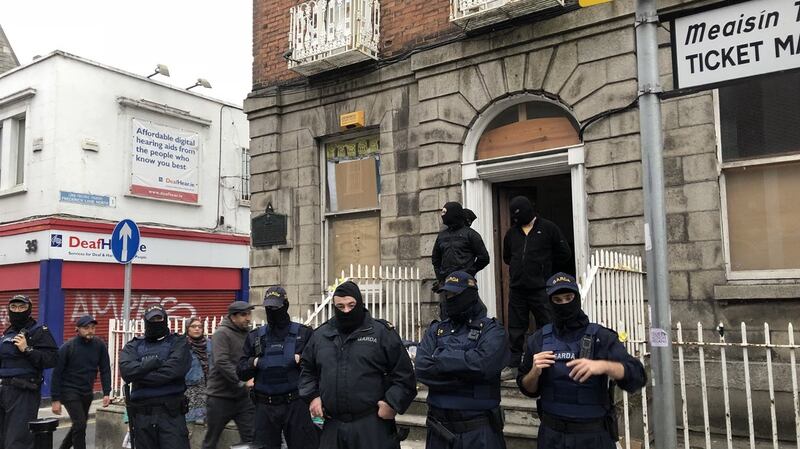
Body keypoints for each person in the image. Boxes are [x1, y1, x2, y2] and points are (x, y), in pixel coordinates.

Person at [516, 273, 646, 449]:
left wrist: (603, 366)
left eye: (569, 298)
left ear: (577, 298)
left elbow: (637, 376)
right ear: (550, 302)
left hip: (592, 436)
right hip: (552, 437)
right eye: (558, 300)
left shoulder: (601, 337)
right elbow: (527, 389)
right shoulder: (538, 340)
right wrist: (534, 372)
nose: (564, 304)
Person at [299, 281, 416, 449]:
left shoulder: (381, 332)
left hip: (372, 424)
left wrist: (392, 403)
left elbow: (404, 374)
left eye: (351, 305)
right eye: (340, 306)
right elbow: (307, 370)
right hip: (333, 426)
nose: (346, 311)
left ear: (359, 303)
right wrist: (312, 397)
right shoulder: (321, 335)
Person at [415, 271, 510, 449]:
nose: (448, 299)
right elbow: (421, 367)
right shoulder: (436, 330)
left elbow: (483, 366)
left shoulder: (492, 330)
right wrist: (465, 372)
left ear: (469, 295)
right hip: (439, 431)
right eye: (446, 295)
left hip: (479, 431)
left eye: (454, 295)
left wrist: (440, 358)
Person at [238, 286, 317, 449]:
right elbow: (240, 372)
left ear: (285, 305)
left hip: (295, 404)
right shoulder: (255, 336)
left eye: (276, 307)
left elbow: (317, 368)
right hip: (265, 407)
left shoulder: (303, 334)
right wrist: (254, 362)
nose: (272, 311)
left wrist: (301, 360)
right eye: (269, 307)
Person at [503, 195, 572, 369]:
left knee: (547, 323)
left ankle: (549, 360)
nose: (517, 218)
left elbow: (564, 253)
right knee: (515, 327)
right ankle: (513, 365)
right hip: (517, 288)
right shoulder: (511, 233)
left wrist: (545, 271)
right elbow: (507, 257)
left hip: (541, 288)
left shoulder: (548, 228)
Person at [119, 305, 192, 449]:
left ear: (165, 320)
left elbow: (174, 371)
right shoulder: (134, 345)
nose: (156, 322)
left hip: (171, 416)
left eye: (159, 318)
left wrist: (140, 374)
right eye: (152, 319)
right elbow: (126, 372)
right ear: (146, 321)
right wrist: (152, 364)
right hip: (142, 418)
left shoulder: (178, 342)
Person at [0, 294, 58, 449]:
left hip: (24, 391)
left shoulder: (39, 331)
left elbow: (52, 359)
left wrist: (27, 349)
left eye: (22, 307)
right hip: (3, 390)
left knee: (17, 441)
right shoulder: (7, 333)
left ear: (29, 309)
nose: (17, 311)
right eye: (13, 307)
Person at [51, 315, 112, 449]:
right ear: (77, 329)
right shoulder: (68, 347)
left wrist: (107, 392)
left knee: (79, 424)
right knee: (80, 424)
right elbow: (56, 374)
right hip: (69, 390)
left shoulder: (99, 345)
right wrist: (55, 399)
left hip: (86, 391)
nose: (90, 330)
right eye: (86, 328)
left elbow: (105, 369)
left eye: (92, 327)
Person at [202, 301, 256, 449]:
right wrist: (241, 382)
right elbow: (221, 362)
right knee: (211, 440)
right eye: (243, 315)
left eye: (249, 314)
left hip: (243, 398)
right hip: (220, 397)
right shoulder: (222, 334)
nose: (248, 318)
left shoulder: (249, 334)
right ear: (233, 317)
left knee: (251, 439)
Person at [432, 201, 490, 287]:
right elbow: (436, 258)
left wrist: (469, 271)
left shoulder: (471, 234)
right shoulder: (441, 236)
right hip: (448, 284)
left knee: (469, 300)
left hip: (465, 283)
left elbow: (484, 258)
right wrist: (440, 276)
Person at [184, 317, 211, 424]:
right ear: (187, 329)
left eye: (200, 327)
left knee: (203, 421)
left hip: (205, 387)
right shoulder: (182, 345)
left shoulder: (209, 344)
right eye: (193, 326)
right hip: (187, 389)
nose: (197, 329)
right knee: (189, 422)